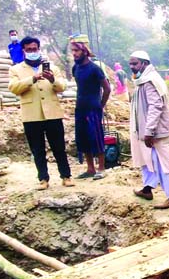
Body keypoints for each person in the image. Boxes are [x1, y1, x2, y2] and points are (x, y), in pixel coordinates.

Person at [8, 36, 74, 190]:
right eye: (29, 49)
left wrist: (52, 80)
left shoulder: (52, 67)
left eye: (35, 49)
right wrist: (32, 79)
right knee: (37, 149)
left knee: (59, 147)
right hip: (31, 115)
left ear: (39, 49)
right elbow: (13, 88)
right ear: (24, 51)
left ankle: (66, 176)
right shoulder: (16, 69)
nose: (32, 52)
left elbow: (62, 87)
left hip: (52, 114)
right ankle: (43, 179)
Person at [129, 50, 169, 209]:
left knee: (163, 164)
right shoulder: (142, 80)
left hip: (155, 132)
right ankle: (147, 189)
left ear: (144, 63)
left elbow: (155, 106)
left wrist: (149, 131)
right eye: (130, 63)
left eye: (135, 63)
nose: (132, 67)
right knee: (147, 160)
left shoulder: (150, 81)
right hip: (145, 131)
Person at [70, 34, 111, 180]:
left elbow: (107, 89)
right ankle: (90, 168)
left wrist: (101, 105)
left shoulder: (95, 69)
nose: (74, 53)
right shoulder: (75, 68)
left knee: (96, 137)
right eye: (73, 50)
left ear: (85, 51)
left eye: (77, 50)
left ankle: (101, 168)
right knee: (83, 137)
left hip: (93, 107)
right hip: (80, 107)